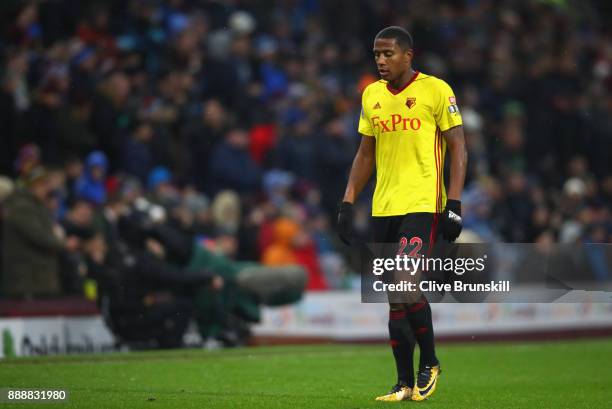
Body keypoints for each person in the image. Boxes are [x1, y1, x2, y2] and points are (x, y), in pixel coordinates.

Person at [337, 26, 467, 401]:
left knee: (405, 282)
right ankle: (403, 383)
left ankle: (430, 361)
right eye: (376, 54)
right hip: (384, 206)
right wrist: (347, 201)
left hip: (423, 204)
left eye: (388, 53)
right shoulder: (372, 96)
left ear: (408, 55)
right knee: (395, 296)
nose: (380, 60)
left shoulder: (436, 90)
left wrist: (454, 204)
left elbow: (458, 147)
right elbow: (365, 154)